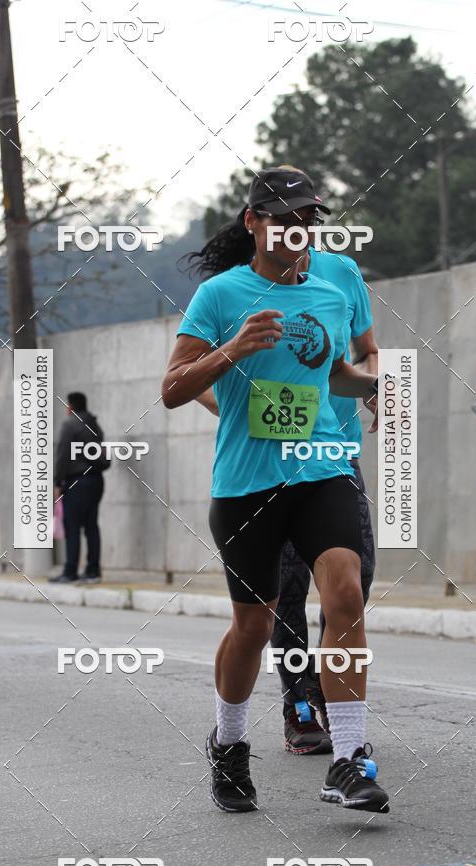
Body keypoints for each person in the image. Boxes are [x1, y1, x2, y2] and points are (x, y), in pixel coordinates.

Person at [163, 166, 389, 814]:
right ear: (253, 221)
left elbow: (336, 374)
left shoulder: (330, 290)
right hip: (247, 484)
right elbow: (174, 388)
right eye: (283, 219)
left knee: (345, 590)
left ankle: (347, 761)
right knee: (254, 625)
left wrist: (374, 392)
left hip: (323, 468)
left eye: (305, 221)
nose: (295, 231)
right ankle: (230, 744)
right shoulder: (221, 296)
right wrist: (233, 348)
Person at [50, 392, 107, 585]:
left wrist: (57, 483)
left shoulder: (70, 425)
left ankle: (70, 571)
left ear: (70, 407)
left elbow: (62, 456)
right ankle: (93, 571)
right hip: (96, 481)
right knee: (91, 526)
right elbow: (103, 457)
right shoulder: (94, 425)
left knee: (72, 527)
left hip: (76, 482)